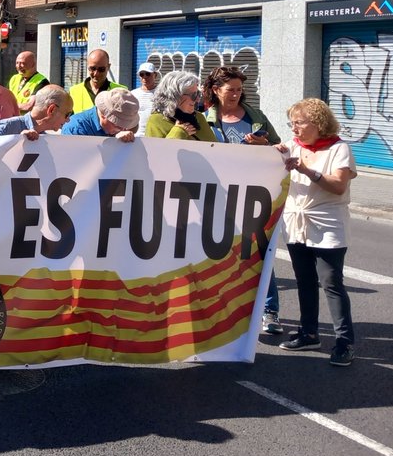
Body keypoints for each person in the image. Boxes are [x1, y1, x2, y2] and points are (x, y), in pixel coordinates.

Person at [202, 65, 283, 332]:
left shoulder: (256, 116)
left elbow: (280, 150)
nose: (236, 95)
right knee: (219, 255)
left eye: (239, 90)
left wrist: (267, 147)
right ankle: (223, 307)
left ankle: (269, 311)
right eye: (230, 90)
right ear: (216, 90)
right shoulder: (204, 120)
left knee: (259, 252)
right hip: (219, 198)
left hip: (255, 196)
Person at [276, 98, 357, 366]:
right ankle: (309, 333)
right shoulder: (291, 146)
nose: (294, 128)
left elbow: (338, 186)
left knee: (331, 282)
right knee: (305, 282)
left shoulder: (339, 149)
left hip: (327, 224)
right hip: (296, 224)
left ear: (318, 123)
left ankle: (344, 342)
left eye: (299, 122)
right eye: (292, 123)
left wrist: (307, 170)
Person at [145, 71, 215, 142]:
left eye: (198, 94)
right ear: (175, 96)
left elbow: (215, 148)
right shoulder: (156, 120)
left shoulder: (199, 118)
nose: (197, 99)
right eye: (193, 95)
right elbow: (155, 151)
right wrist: (179, 132)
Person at [0, 85, 73, 140]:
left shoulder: (45, 139)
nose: (68, 120)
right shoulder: (8, 127)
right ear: (51, 110)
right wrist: (16, 141)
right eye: (67, 114)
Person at [60, 88, 139, 141]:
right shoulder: (75, 128)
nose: (123, 129)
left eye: (125, 125)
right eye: (118, 124)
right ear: (103, 115)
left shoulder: (117, 130)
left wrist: (119, 143)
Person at [68, 49, 126, 114]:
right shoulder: (74, 91)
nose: (96, 73)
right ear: (87, 66)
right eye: (92, 69)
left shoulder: (121, 92)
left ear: (108, 67)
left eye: (101, 69)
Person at [132, 62, 158, 135]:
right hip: (136, 137)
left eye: (148, 74)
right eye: (141, 74)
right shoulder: (133, 94)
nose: (144, 77)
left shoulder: (162, 94)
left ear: (155, 75)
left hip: (155, 137)